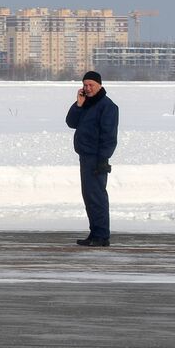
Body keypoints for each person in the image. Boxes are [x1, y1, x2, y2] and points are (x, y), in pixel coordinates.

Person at [66, 70, 119, 247]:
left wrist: (103, 159)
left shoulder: (107, 106)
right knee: (89, 197)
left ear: (100, 86)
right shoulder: (86, 104)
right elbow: (71, 123)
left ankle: (102, 235)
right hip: (85, 156)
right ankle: (95, 233)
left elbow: (109, 135)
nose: (88, 88)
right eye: (85, 85)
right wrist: (78, 104)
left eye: (91, 85)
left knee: (97, 197)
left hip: (97, 158)